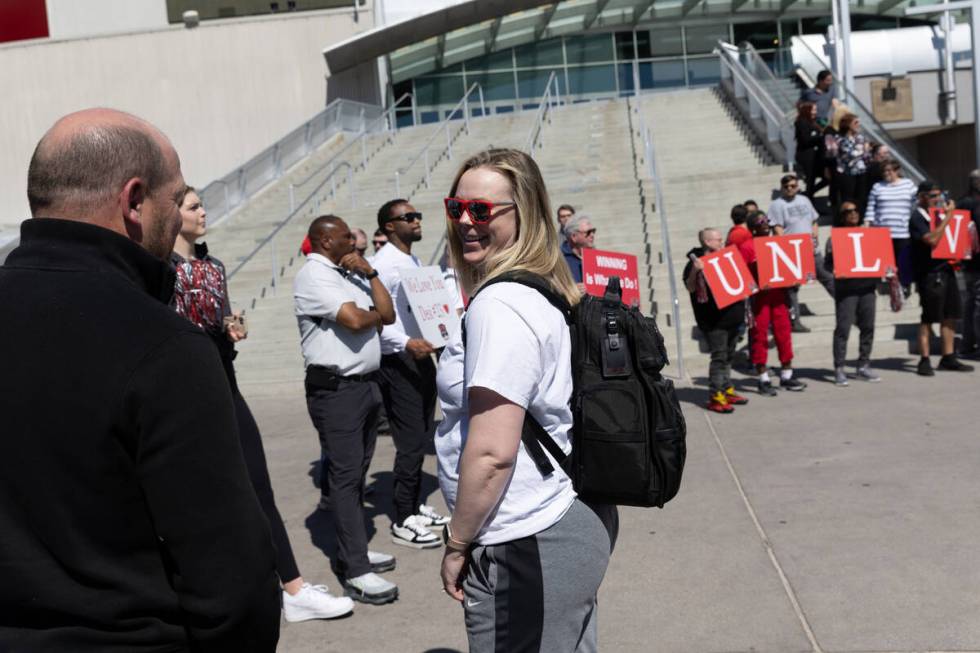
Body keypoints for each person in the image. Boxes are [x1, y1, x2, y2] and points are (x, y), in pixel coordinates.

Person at [0, 108, 280, 651]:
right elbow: (232, 580)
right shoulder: (166, 347)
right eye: (175, 200)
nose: (179, 218)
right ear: (134, 201)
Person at [437, 149, 616, 651]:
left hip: (527, 537)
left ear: (525, 212)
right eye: (457, 208)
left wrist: (456, 544)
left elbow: (493, 454)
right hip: (560, 521)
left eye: (483, 210)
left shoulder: (500, 304)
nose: (467, 223)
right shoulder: (539, 288)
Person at [172, 188, 354, 621]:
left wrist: (231, 328)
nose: (203, 212)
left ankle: (292, 589)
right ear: (171, 214)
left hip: (224, 386)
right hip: (180, 397)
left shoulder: (213, 266)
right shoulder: (159, 270)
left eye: (201, 205)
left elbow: (220, 318)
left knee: (258, 486)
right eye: (194, 207)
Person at [293, 215, 402, 604]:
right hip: (337, 390)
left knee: (356, 474)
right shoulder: (314, 275)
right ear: (324, 241)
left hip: (365, 387)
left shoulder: (350, 273)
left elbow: (387, 316)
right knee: (345, 478)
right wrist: (368, 317)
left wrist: (371, 274)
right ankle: (355, 569)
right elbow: (356, 320)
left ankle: (353, 549)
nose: (354, 242)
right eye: (345, 237)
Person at [372, 199, 448, 550]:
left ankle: (415, 504)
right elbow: (377, 318)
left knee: (422, 434)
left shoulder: (411, 261)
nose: (417, 220)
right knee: (411, 441)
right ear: (389, 226)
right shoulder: (383, 265)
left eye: (418, 215)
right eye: (408, 217)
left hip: (421, 355)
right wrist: (405, 343)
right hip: (399, 359)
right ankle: (403, 519)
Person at [908, 182, 975, 375]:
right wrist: (948, 218)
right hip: (929, 274)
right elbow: (931, 240)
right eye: (932, 195)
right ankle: (925, 359)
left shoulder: (939, 215)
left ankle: (948, 357)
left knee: (950, 315)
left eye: (939, 195)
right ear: (921, 197)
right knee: (928, 318)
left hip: (948, 269)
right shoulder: (917, 217)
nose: (937, 199)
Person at [739, 211, 807, 395]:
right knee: (759, 336)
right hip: (759, 299)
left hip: (779, 296)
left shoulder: (778, 242)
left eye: (767, 220)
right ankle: (763, 379)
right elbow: (741, 275)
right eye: (761, 221)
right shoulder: (746, 246)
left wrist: (795, 276)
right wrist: (757, 282)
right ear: (753, 226)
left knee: (784, 334)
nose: (766, 224)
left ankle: (787, 374)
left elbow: (790, 266)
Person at [684, 228, 749, 413]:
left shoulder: (727, 256)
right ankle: (715, 395)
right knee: (719, 358)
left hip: (733, 316)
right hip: (714, 321)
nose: (722, 242)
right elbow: (690, 288)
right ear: (707, 242)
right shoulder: (695, 262)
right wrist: (695, 272)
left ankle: (726, 388)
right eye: (718, 240)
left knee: (729, 356)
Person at [767, 173, 835, 332]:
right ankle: (794, 321)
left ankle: (845, 307)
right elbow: (777, 229)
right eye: (786, 186)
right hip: (793, 253)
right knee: (791, 289)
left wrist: (815, 236)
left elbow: (814, 220)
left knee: (828, 278)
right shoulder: (777, 205)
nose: (790, 189)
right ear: (782, 188)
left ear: (797, 186)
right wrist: (787, 249)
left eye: (793, 186)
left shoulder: (804, 200)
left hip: (812, 249)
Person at [824, 202, 881, 386]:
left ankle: (863, 365)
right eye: (848, 211)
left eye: (856, 210)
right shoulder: (835, 238)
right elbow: (827, 265)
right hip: (847, 290)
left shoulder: (868, 234)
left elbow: (879, 256)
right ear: (842, 216)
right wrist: (836, 259)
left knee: (868, 327)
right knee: (843, 329)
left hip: (867, 288)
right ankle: (839, 368)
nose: (854, 213)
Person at [865, 159, 917, 292]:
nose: (886, 173)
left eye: (889, 170)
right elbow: (871, 206)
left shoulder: (908, 184)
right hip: (883, 231)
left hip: (902, 230)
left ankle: (905, 286)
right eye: (884, 171)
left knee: (903, 260)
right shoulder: (877, 187)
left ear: (897, 170)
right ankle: (892, 286)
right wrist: (868, 223)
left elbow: (916, 203)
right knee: (888, 262)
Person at [955, 170, 980, 358]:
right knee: (976, 305)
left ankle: (966, 345)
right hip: (974, 262)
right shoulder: (972, 204)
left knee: (968, 304)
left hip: (964, 262)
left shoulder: (961, 203)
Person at [835, 113, 870, 212]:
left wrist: (864, 151)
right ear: (848, 124)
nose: (858, 124)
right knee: (848, 199)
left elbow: (868, 156)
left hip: (861, 172)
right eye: (856, 122)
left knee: (861, 198)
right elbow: (850, 154)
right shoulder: (840, 138)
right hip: (847, 174)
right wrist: (864, 150)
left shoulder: (860, 137)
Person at [795, 101, 826, 198]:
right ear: (807, 111)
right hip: (806, 155)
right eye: (813, 110)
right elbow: (805, 140)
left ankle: (809, 193)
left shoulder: (814, 122)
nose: (815, 112)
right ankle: (809, 197)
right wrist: (821, 137)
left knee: (827, 177)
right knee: (810, 179)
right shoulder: (802, 122)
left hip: (815, 155)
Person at [561, 213, 596, 284]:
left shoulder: (598, 258)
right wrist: (572, 289)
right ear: (574, 237)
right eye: (588, 232)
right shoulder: (560, 259)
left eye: (593, 231)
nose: (592, 235)